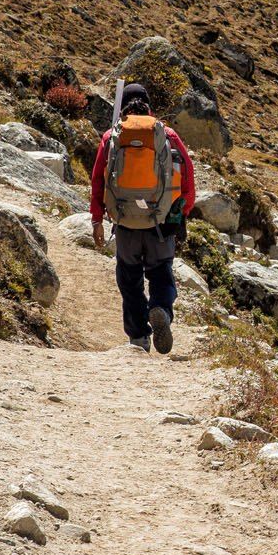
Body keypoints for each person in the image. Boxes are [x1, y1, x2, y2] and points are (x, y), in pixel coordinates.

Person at [90, 83, 196, 354]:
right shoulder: (167, 134)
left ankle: (138, 338)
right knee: (161, 273)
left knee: (129, 279)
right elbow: (188, 180)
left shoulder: (111, 135)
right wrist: (178, 215)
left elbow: (98, 182)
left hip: (125, 222)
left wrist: (97, 220)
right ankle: (160, 308)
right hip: (159, 224)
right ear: (148, 105)